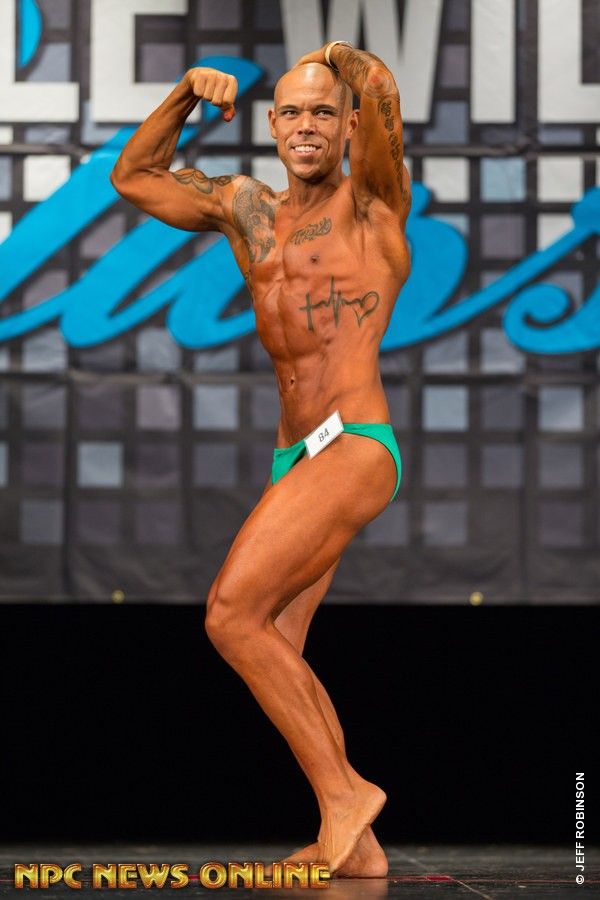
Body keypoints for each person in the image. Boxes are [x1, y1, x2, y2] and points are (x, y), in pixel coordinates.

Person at [110, 41, 411, 877]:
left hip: (354, 444)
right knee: (274, 638)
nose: (308, 125)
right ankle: (356, 847)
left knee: (229, 615)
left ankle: (346, 795)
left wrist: (341, 58)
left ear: (348, 127)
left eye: (325, 112)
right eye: (294, 112)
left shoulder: (373, 205)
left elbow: (382, 97)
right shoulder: (248, 208)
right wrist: (184, 93)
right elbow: (134, 178)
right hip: (296, 456)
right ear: (272, 124)